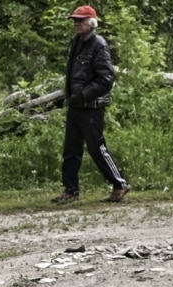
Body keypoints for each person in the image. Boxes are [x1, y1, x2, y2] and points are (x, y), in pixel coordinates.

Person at [53, 5, 130, 204]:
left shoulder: (99, 45)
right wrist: (73, 96)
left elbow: (106, 79)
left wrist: (83, 95)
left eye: (81, 20)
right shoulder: (76, 42)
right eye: (75, 20)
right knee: (71, 148)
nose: (77, 24)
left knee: (97, 147)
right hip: (76, 104)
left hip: (92, 105)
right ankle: (70, 191)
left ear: (92, 23)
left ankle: (120, 183)